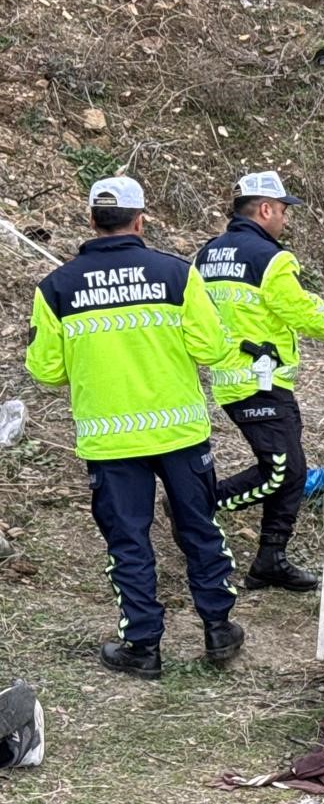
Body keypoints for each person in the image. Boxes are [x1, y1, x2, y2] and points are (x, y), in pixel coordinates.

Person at [25, 176, 245, 679]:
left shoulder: (56, 288)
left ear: (90, 221)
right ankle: (218, 630)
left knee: (128, 542)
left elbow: (45, 370)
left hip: (110, 441)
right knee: (200, 529)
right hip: (182, 435)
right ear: (140, 218)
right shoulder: (176, 275)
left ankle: (142, 647)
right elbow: (212, 349)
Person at [195, 171, 324, 592]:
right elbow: (303, 311)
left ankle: (270, 559)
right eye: (283, 210)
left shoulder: (206, 254)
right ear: (265, 209)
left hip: (235, 380)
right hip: (257, 381)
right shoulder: (271, 258)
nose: (285, 218)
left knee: (293, 469)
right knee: (282, 472)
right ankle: (194, 508)